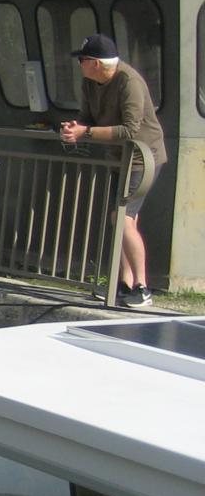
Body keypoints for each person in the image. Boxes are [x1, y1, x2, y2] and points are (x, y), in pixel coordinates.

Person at [58, 33, 166, 307]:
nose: (79, 64)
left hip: (143, 158)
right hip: (120, 158)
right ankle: (123, 283)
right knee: (125, 220)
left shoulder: (129, 82)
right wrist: (74, 128)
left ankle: (142, 287)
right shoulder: (90, 82)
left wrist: (87, 132)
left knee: (121, 218)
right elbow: (87, 119)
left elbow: (130, 129)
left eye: (82, 60)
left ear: (95, 63)